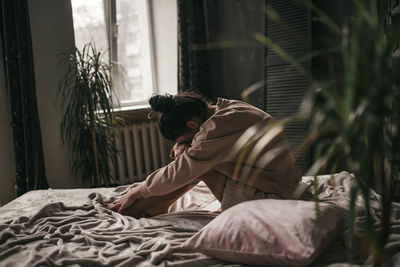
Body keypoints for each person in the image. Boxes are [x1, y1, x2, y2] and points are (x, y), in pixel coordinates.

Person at [107, 91, 302, 217]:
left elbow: (180, 171)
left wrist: (138, 190)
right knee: (191, 161)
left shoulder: (214, 129)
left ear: (192, 125)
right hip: (276, 182)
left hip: (272, 196)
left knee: (190, 165)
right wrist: (185, 147)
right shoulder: (229, 108)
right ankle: (155, 205)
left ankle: (143, 208)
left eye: (183, 138)